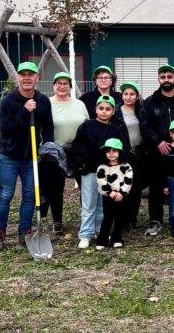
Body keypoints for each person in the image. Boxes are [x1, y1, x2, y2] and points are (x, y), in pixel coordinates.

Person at [0, 62, 54, 251]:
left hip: (31, 158)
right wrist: (24, 111)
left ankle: (25, 231)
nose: (27, 78)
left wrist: (48, 147)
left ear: (37, 78)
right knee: (5, 195)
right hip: (9, 156)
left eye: (31, 74)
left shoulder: (43, 101)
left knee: (29, 195)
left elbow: (48, 126)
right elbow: (6, 129)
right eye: (23, 74)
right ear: (17, 78)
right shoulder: (8, 101)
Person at [69, 96, 130, 249]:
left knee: (103, 205)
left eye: (108, 109)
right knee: (89, 204)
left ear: (113, 111)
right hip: (90, 171)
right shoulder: (86, 126)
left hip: (109, 173)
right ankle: (85, 234)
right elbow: (77, 146)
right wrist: (85, 160)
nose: (104, 111)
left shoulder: (116, 129)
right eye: (101, 108)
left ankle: (100, 231)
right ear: (95, 109)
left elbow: (123, 149)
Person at [140, 64, 174, 237]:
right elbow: (145, 126)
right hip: (158, 152)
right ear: (158, 79)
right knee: (157, 185)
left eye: (169, 77)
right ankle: (156, 219)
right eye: (163, 77)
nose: (166, 80)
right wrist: (158, 141)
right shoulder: (150, 102)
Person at [43, 71, 88, 234]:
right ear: (53, 86)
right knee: (55, 187)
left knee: (86, 185)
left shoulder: (79, 104)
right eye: (59, 83)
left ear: (70, 86)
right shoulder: (47, 103)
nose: (62, 86)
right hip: (56, 151)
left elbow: (86, 125)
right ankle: (57, 222)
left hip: (77, 150)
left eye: (65, 83)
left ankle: (88, 220)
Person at [117, 81, 148, 230]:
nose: (129, 97)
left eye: (132, 94)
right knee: (123, 186)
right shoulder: (117, 112)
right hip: (123, 154)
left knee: (136, 188)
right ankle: (122, 218)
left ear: (137, 96)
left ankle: (132, 218)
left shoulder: (142, 111)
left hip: (139, 154)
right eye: (126, 94)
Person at [95, 138, 134, 250]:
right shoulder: (102, 167)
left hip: (121, 196)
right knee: (107, 218)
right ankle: (102, 239)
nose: (111, 154)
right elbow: (101, 181)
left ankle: (116, 238)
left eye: (114, 151)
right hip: (108, 197)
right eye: (108, 151)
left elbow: (128, 180)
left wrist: (122, 193)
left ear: (120, 152)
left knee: (119, 218)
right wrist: (110, 192)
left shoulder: (126, 167)